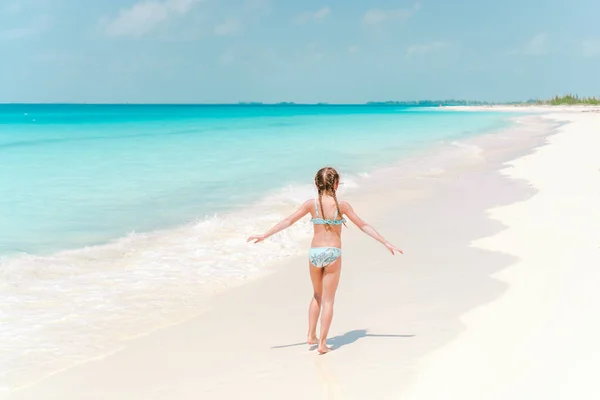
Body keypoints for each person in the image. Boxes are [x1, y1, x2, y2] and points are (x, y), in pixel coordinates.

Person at [247, 167, 402, 354]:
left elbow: (288, 221)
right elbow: (363, 225)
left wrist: (265, 235)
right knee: (328, 301)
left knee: (317, 296)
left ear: (316, 184)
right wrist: (385, 242)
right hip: (333, 253)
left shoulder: (311, 205)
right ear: (336, 184)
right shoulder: (342, 206)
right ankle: (321, 344)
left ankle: (311, 335)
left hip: (315, 253)